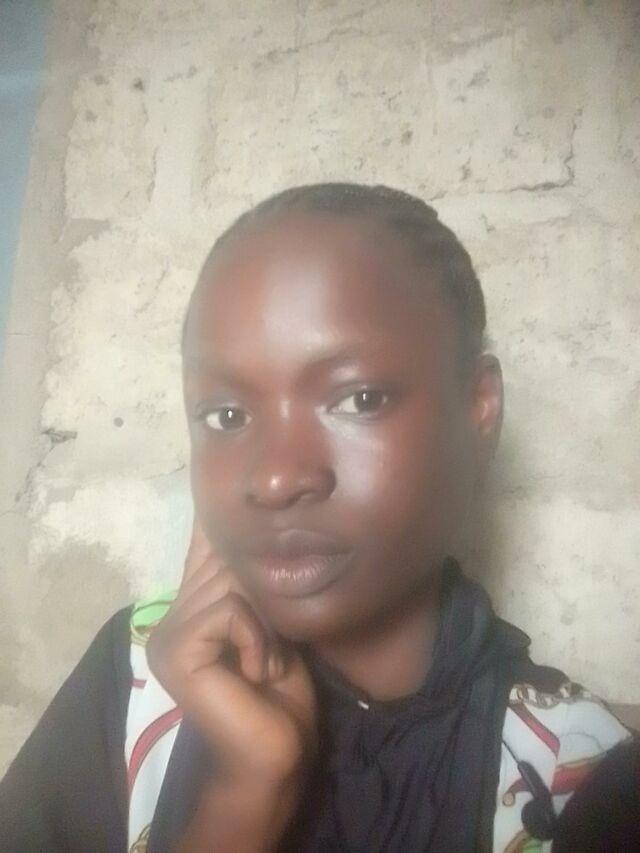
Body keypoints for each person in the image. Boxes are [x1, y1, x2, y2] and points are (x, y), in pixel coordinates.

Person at [0, 183, 636, 853]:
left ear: (478, 410)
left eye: (358, 399)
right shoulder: (140, 678)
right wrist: (241, 803)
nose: (275, 478)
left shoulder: (572, 773)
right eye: (226, 415)